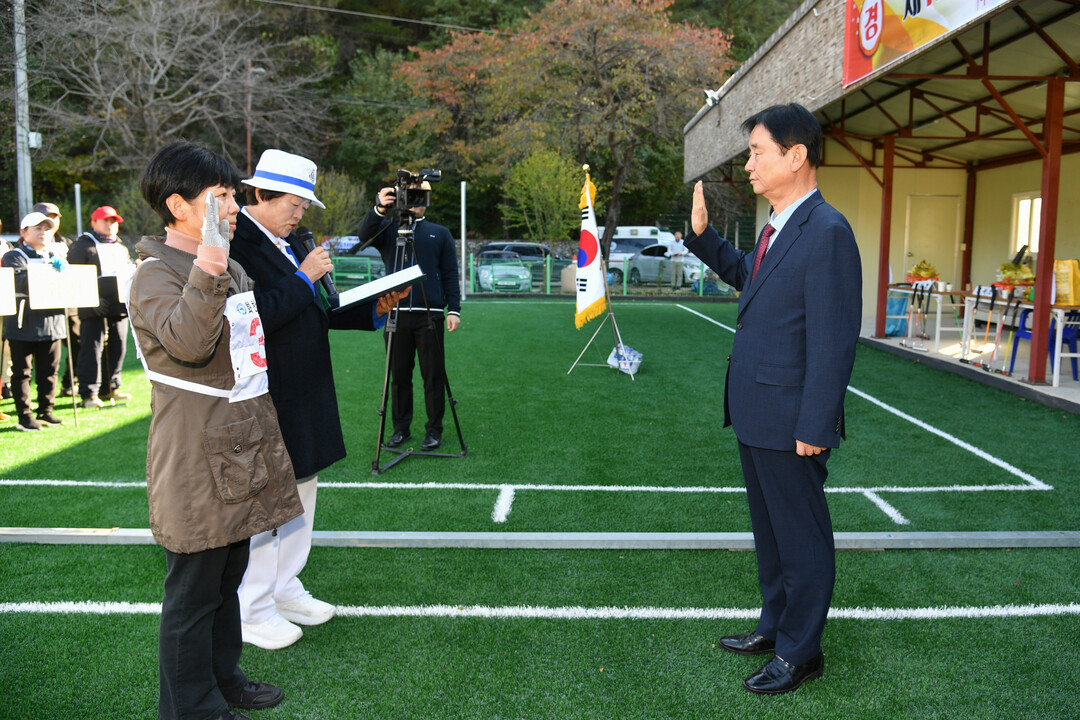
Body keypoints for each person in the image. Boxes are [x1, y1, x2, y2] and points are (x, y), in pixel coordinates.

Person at [684, 103, 861, 695]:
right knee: (772, 535)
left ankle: (800, 653)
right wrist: (704, 238)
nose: (749, 164)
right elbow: (749, 278)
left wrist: (815, 424)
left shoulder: (828, 231)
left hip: (792, 422)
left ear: (796, 155)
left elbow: (834, 339)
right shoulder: (777, 225)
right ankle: (775, 626)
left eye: (758, 152)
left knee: (801, 538)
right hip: (757, 413)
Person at [130, 140, 304, 720]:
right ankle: (190, 708)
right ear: (178, 205)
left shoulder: (229, 264)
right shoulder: (155, 274)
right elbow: (189, 343)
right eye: (221, 196)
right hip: (195, 453)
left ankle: (224, 678)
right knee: (194, 591)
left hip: (238, 443)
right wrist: (208, 263)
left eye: (232, 195)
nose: (233, 207)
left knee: (228, 576)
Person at [229, 149, 408, 650]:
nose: (299, 213)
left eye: (305, 205)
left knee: (302, 490)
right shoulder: (235, 243)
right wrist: (303, 276)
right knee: (268, 500)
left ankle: (285, 587)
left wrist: (373, 307)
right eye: (293, 203)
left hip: (305, 388)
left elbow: (318, 308)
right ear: (259, 194)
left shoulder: (292, 242)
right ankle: (252, 607)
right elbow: (253, 316)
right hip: (266, 393)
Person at [353, 181, 461, 451]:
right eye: (410, 195)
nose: (415, 201)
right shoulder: (390, 229)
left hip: (430, 314)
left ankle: (434, 430)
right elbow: (363, 235)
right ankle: (401, 429)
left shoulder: (440, 233)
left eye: (420, 195)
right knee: (399, 376)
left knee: (433, 375)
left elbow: (450, 272)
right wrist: (379, 207)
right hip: (395, 314)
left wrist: (454, 309)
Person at [2, 212, 68, 431]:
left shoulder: (55, 254)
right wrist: (50, 270)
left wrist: (64, 271)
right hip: (23, 324)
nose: (43, 233)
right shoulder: (14, 256)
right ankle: (25, 416)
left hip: (53, 323)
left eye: (47, 229)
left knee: (49, 370)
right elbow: (20, 281)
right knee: (22, 372)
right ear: (24, 232)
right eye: (37, 228)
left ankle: (46, 410)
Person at [68, 205, 133, 409]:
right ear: (94, 222)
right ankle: (89, 393)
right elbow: (75, 275)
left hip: (118, 305)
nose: (110, 224)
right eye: (105, 220)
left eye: (113, 221)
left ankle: (110, 387)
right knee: (92, 348)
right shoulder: (82, 245)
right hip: (92, 306)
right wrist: (92, 299)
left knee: (118, 345)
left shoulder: (121, 246)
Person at [32, 201, 80, 397]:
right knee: (42, 353)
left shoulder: (66, 243)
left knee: (77, 342)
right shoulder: (23, 244)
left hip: (67, 301)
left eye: (54, 217)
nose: (51, 221)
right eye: (46, 217)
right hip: (38, 306)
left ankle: (70, 382)